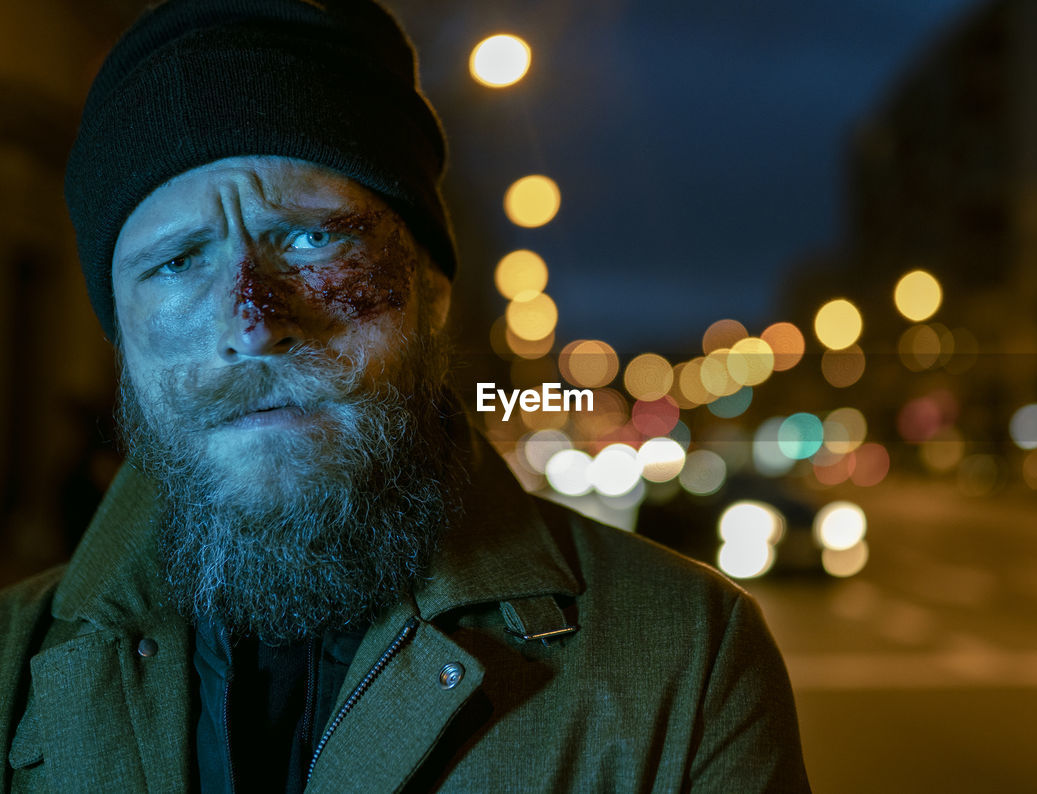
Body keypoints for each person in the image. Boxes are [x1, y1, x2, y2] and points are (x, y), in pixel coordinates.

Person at [0, 0, 810, 791]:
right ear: (120, 332)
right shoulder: (11, 670)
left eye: (311, 237)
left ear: (431, 285)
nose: (252, 324)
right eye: (177, 261)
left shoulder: (684, 661)